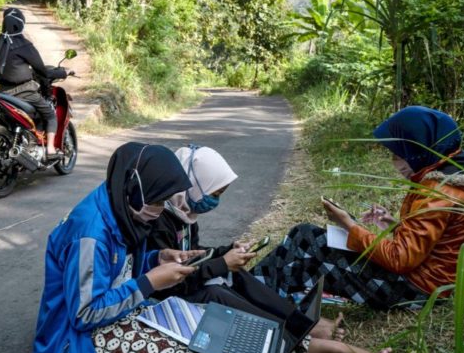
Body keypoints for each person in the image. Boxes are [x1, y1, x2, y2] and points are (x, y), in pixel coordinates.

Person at [33, 142, 396, 353]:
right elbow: (84, 315)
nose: (161, 212)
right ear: (134, 189)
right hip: (80, 341)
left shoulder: (117, 206)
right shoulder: (91, 234)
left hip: (123, 315)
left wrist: (157, 257)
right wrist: (151, 282)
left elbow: (119, 270)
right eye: (157, 203)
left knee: (216, 326)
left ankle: (318, 349)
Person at [252, 106, 464, 310]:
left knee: (307, 241)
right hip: (427, 281)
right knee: (304, 236)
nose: (395, 163)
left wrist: (349, 225)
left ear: (418, 150)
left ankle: (249, 292)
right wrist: (393, 225)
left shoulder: (439, 192)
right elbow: (435, 242)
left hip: (416, 291)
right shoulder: (450, 175)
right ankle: (261, 293)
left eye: (398, 155)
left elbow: (400, 260)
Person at [147, 144, 344, 340]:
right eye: (214, 194)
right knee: (216, 293)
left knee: (236, 274)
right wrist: (221, 264)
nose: (215, 201)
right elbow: (171, 284)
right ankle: (290, 338)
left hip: (185, 281)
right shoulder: (160, 221)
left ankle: (301, 324)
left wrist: (226, 251)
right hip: (167, 296)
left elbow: (194, 252)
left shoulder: (184, 213)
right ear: (194, 185)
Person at [0, 7, 69, 160]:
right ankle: (51, 149)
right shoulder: (23, 44)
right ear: (21, 24)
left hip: (3, 93)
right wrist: (63, 72)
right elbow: (43, 71)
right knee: (51, 115)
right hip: (25, 93)